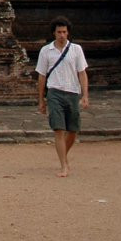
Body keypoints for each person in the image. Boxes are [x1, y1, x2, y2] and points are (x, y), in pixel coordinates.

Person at [36, 16, 89, 176]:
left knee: (73, 130)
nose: (62, 35)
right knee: (59, 129)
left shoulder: (76, 50)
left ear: (68, 33)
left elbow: (82, 73)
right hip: (54, 93)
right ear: (54, 33)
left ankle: (64, 156)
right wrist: (41, 100)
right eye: (59, 32)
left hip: (72, 92)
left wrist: (85, 94)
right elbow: (41, 76)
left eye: (64, 32)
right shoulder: (46, 51)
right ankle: (63, 165)